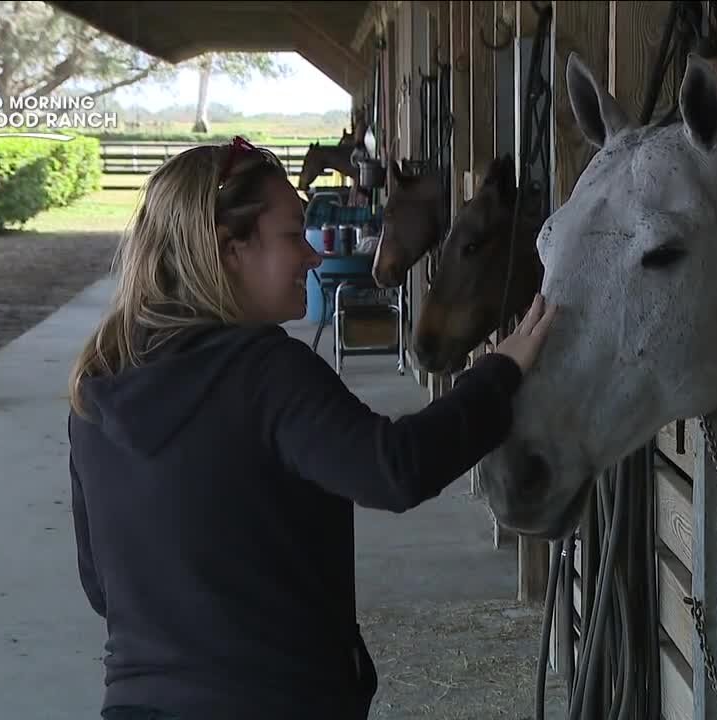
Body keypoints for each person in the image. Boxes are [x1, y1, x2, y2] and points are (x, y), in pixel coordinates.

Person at [66, 136, 557, 720]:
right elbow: (393, 468)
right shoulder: (263, 371)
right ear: (230, 251)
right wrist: (501, 374)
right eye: (292, 235)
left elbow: (102, 587)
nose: (313, 255)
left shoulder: (98, 384)